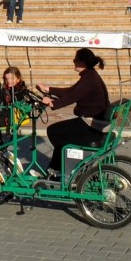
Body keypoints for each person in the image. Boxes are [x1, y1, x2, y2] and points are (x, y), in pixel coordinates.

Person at [38, 48, 110, 177]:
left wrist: (53, 103)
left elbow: (73, 96)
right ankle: (57, 167)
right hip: (94, 122)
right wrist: (49, 89)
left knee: (54, 131)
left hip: (92, 125)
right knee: (61, 135)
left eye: (75, 59)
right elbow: (71, 91)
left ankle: (63, 167)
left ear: (82, 62)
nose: (73, 61)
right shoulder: (90, 75)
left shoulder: (89, 78)